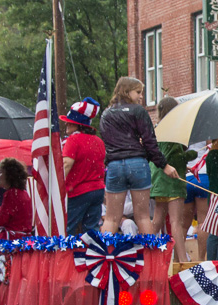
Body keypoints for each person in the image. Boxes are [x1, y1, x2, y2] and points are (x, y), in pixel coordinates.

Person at [99, 76, 177, 235]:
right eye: (138, 92)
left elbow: (108, 142)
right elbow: (150, 142)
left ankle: (107, 256)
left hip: (114, 164)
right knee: (142, 216)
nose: (141, 96)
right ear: (126, 91)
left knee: (111, 218)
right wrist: (164, 165)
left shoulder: (106, 114)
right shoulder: (138, 112)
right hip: (137, 163)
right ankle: (149, 257)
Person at [149, 97, 197, 262]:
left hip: (158, 181)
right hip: (173, 182)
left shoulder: (154, 130)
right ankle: (182, 260)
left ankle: (144, 255)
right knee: (177, 222)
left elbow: (159, 158)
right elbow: (175, 158)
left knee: (156, 221)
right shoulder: (173, 131)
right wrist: (190, 155)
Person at [60, 97, 106, 235]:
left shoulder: (73, 140)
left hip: (78, 190)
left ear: (78, 125)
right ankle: (93, 254)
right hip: (97, 190)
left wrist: (57, 184)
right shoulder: (98, 141)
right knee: (91, 231)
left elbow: (66, 164)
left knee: (68, 228)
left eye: (69, 124)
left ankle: (66, 255)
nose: (67, 126)